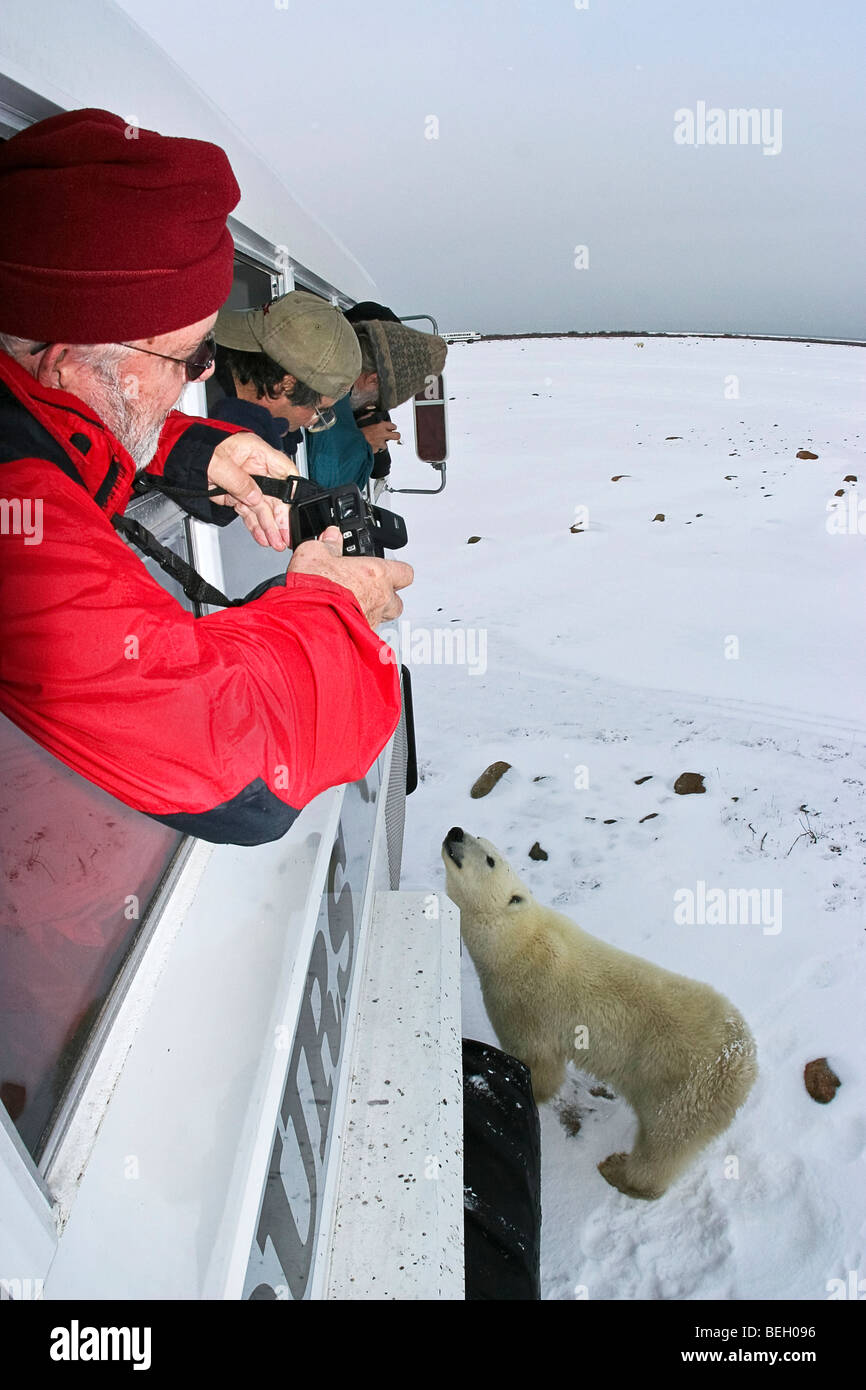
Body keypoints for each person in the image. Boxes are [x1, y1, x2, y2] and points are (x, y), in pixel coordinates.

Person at [0, 108, 413, 847]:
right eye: (189, 361)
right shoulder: (18, 518)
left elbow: (62, 425)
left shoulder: (35, 402)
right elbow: (240, 770)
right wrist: (334, 608)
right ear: (67, 356)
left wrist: (192, 450)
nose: (203, 378)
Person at [211, 291, 361, 462]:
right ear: (287, 385)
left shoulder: (209, 356)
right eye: (319, 410)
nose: (309, 424)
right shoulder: (195, 401)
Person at [305, 314, 448, 491]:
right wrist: (363, 444)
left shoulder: (326, 374)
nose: (371, 406)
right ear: (373, 380)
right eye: (379, 399)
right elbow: (321, 486)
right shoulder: (333, 395)